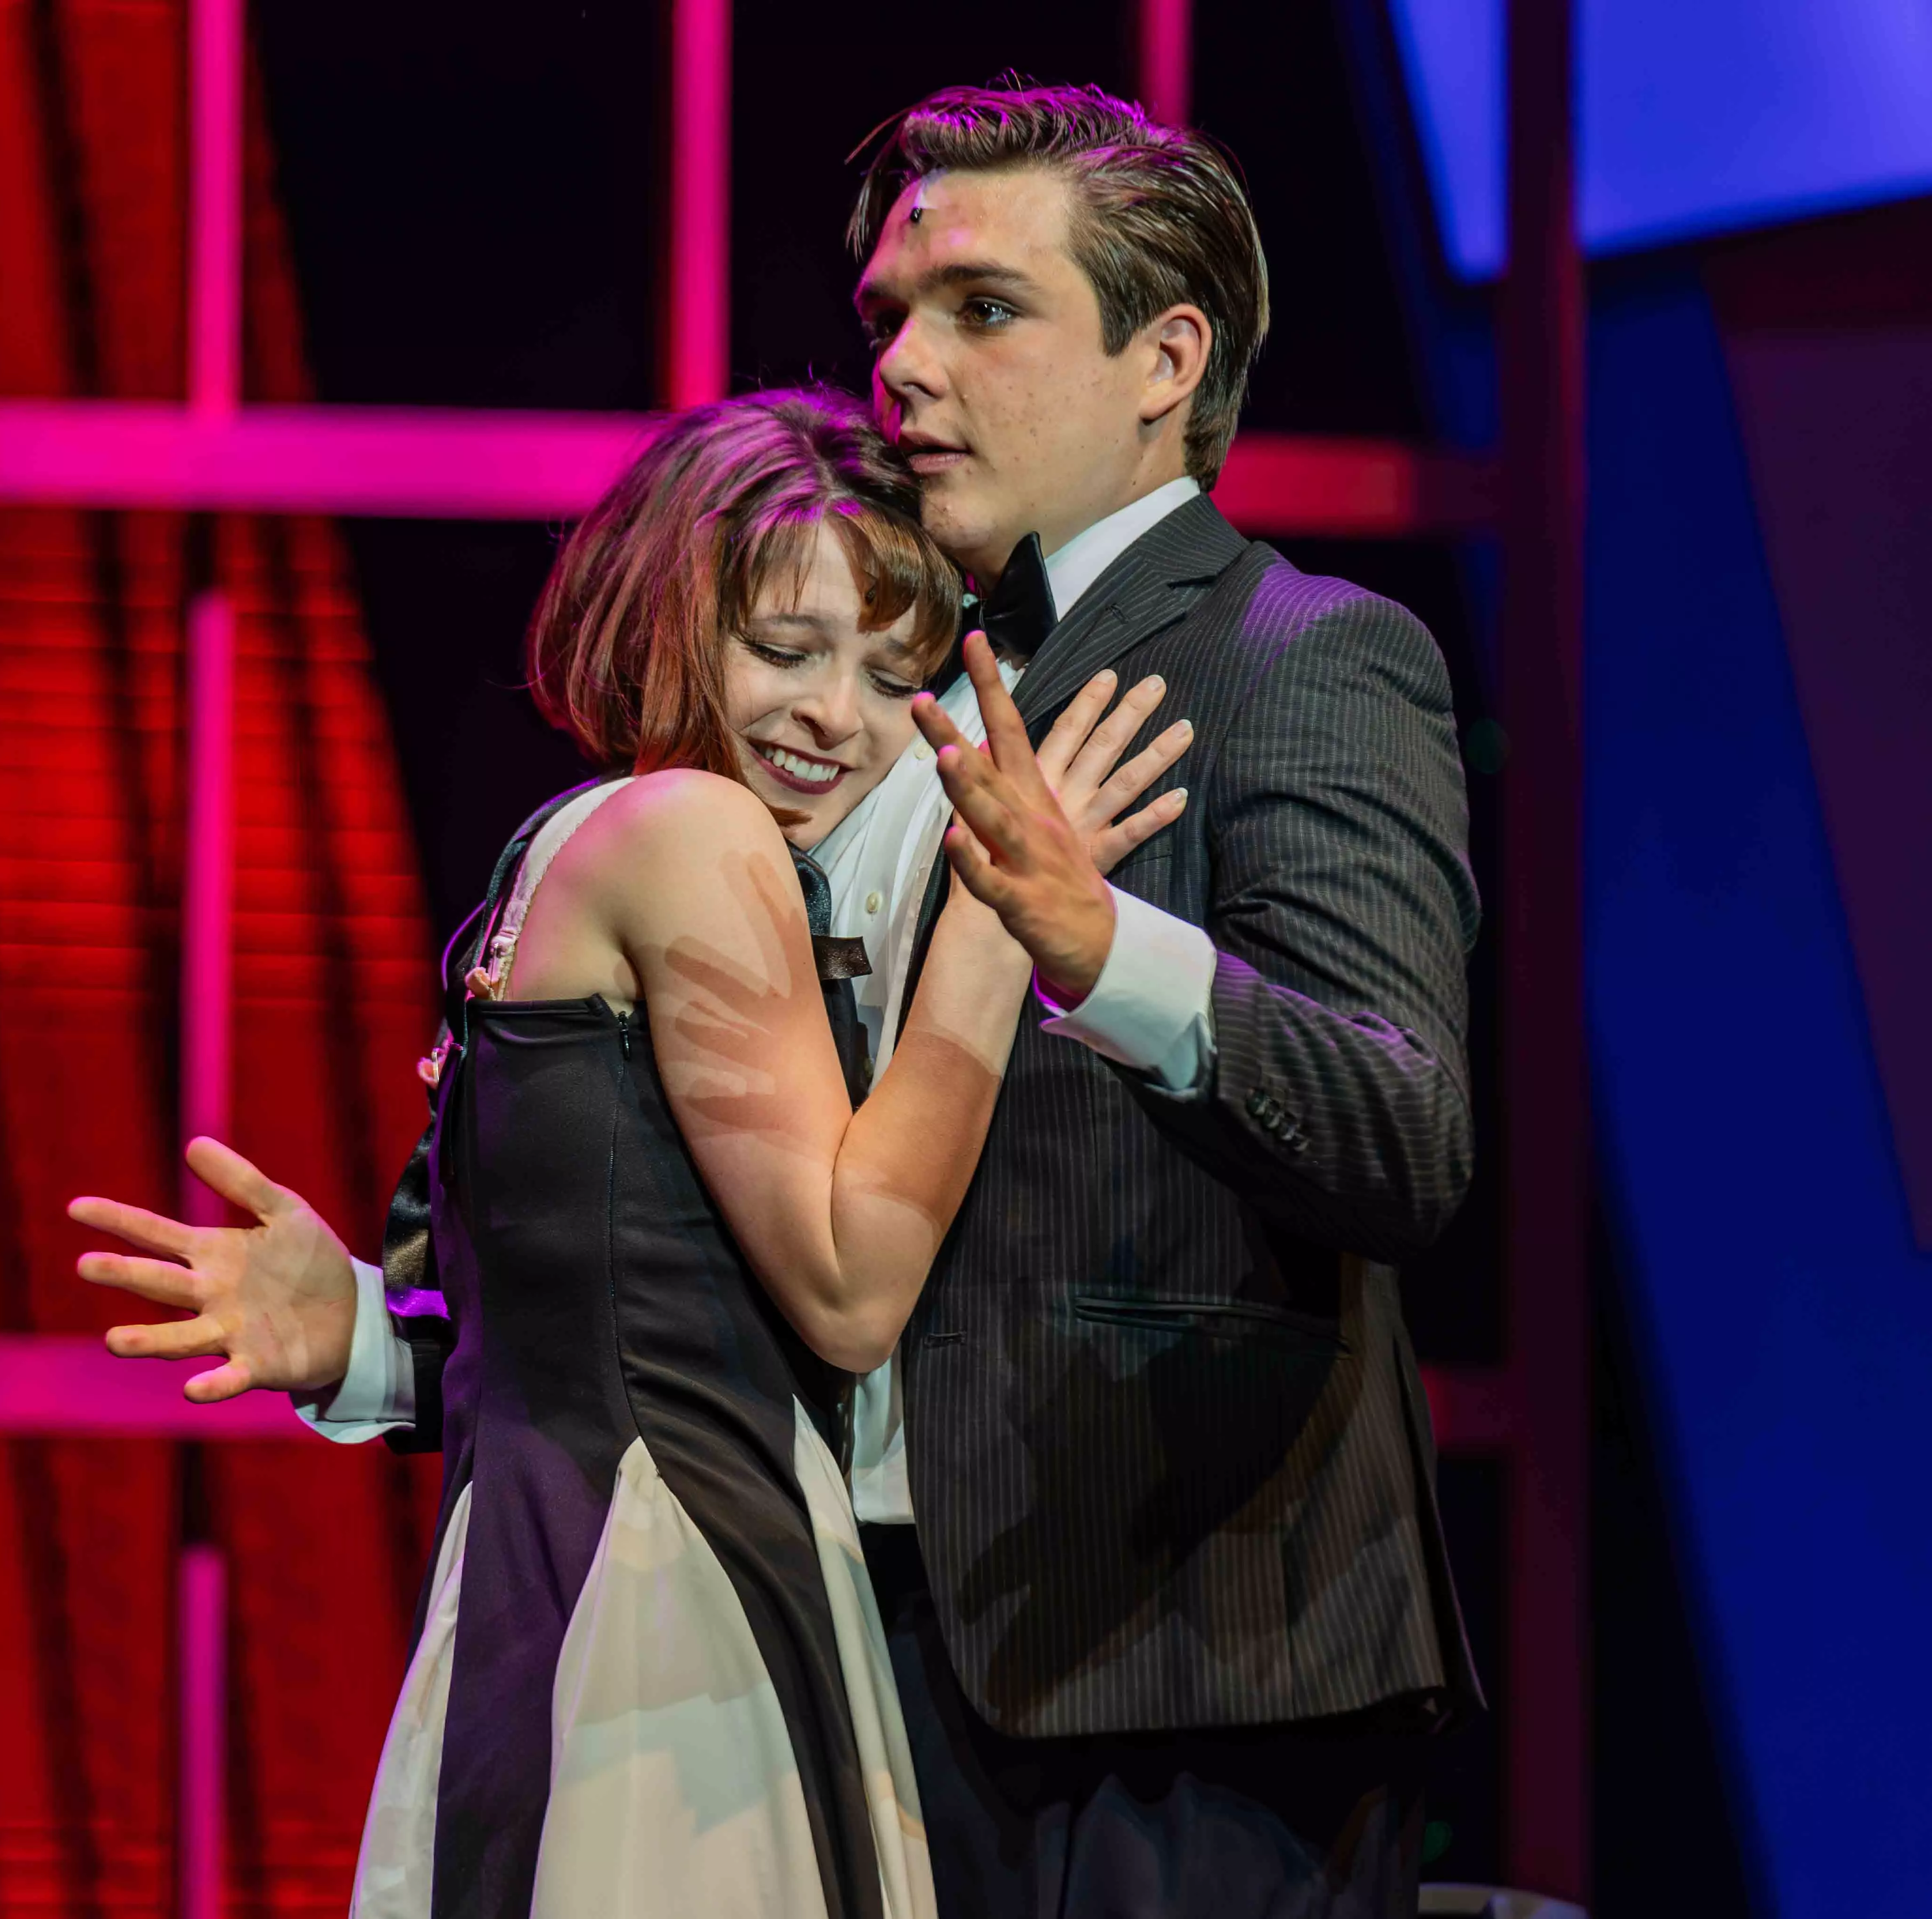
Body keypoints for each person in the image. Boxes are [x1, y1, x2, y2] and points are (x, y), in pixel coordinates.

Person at [79, 80, 1483, 1919]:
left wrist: (1103, 948)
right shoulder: (779, 760)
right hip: (828, 1702)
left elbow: (1401, 1130)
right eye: (891, 311)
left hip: (1164, 1704)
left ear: (1167, 357)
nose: (903, 363)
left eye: (980, 310)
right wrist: (365, 1330)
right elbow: (644, 1308)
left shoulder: (1298, 658)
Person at [73, 386, 1190, 1919]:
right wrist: (1017, 926)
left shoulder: (552, 853)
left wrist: (363, 1337)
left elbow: (603, 1306)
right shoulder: (694, 837)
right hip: (674, 1609)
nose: (833, 719)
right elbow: (851, 1288)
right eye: (782, 652)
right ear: (662, 616)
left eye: (891, 675)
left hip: (561, 1577)